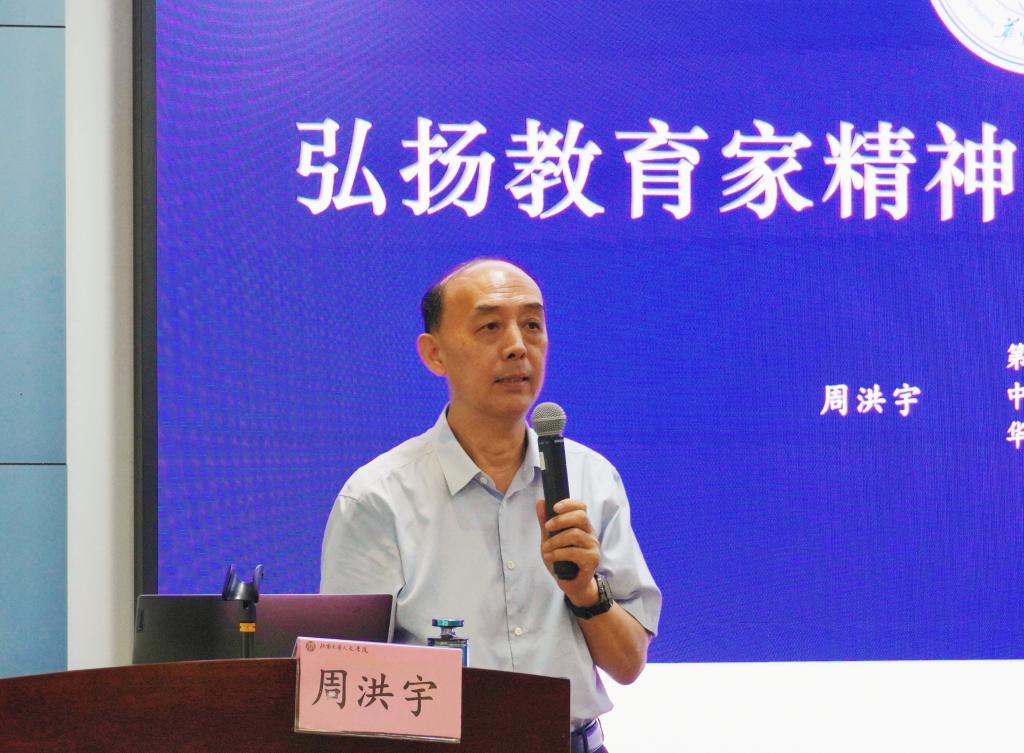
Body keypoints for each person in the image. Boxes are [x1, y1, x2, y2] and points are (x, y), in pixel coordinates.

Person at [321, 258, 661, 753]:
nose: (518, 346)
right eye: (489, 327)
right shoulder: (378, 497)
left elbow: (628, 665)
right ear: (434, 354)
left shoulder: (592, 478)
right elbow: (343, 684)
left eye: (532, 325)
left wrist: (585, 591)